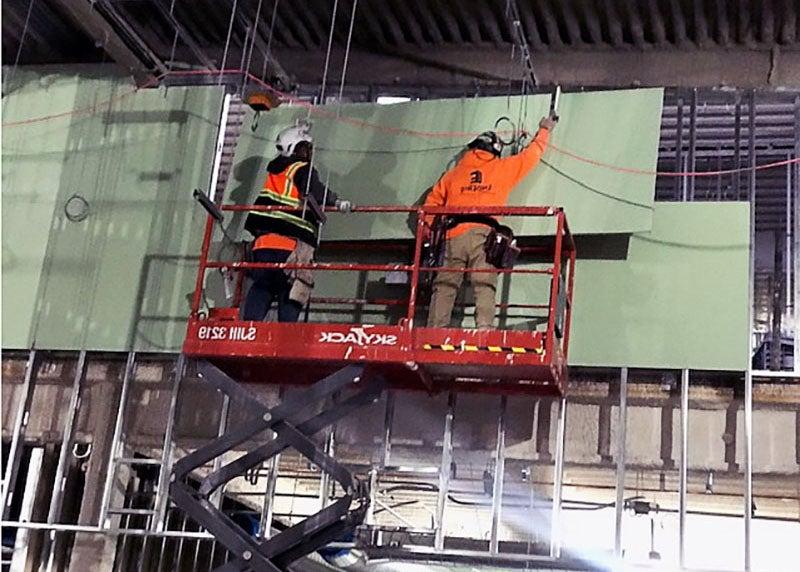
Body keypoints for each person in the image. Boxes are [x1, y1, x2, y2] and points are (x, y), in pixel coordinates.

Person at [424, 114, 557, 329]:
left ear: (472, 149)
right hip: (484, 236)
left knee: (445, 285)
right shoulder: (503, 168)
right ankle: (484, 330)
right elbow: (531, 156)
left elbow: (430, 204)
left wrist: (430, 229)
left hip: (453, 234)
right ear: (494, 150)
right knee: (484, 284)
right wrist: (544, 130)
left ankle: (434, 331)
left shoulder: (453, 174)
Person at [242, 121, 351, 322]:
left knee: (263, 285)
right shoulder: (302, 169)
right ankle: (286, 333)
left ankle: (249, 328)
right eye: (306, 148)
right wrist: (337, 202)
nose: (309, 153)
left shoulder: (275, 173)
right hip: (290, 246)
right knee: (292, 288)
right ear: (297, 148)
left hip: (263, 245)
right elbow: (314, 190)